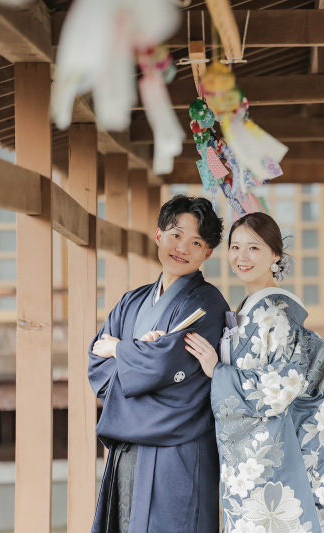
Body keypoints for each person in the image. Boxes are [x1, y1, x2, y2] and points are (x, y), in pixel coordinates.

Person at [184, 212, 324, 533]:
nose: (242, 257)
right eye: (235, 247)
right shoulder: (252, 309)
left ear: (275, 255)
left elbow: (282, 386)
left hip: (267, 463)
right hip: (251, 460)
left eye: (253, 248)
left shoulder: (275, 316)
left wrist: (218, 372)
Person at [88, 195, 229, 533]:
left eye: (196, 242)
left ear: (207, 252)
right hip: (129, 451)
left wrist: (121, 350)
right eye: (176, 235)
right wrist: (139, 355)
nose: (182, 247)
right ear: (159, 236)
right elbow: (96, 360)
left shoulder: (207, 303)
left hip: (178, 452)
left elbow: (164, 365)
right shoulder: (132, 301)